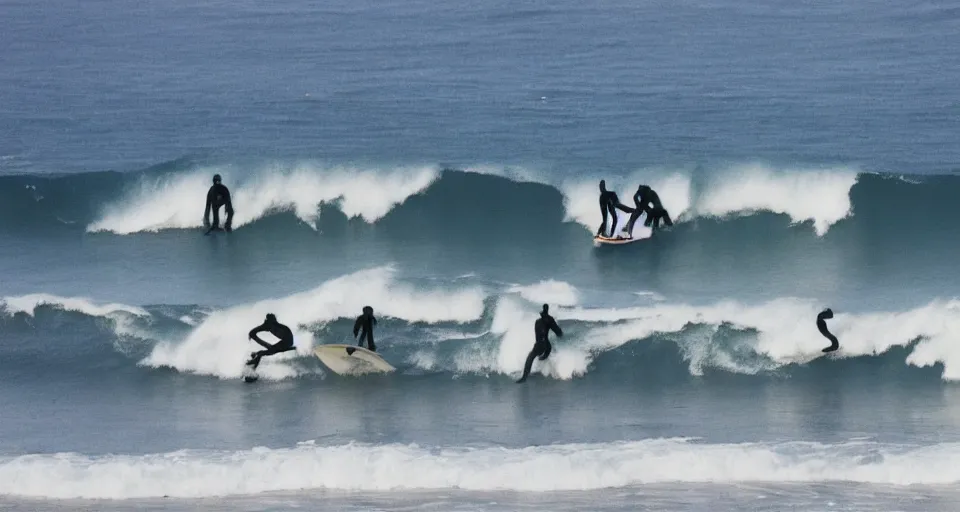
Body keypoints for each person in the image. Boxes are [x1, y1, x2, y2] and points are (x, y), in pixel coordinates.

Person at [517, 304, 563, 383]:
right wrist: (561, 334)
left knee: (530, 357)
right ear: (547, 309)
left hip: (540, 344)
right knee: (545, 350)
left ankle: (524, 377)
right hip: (544, 344)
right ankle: (542, 359)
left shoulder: (538, 321)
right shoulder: (549, 320)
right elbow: (558, 332)